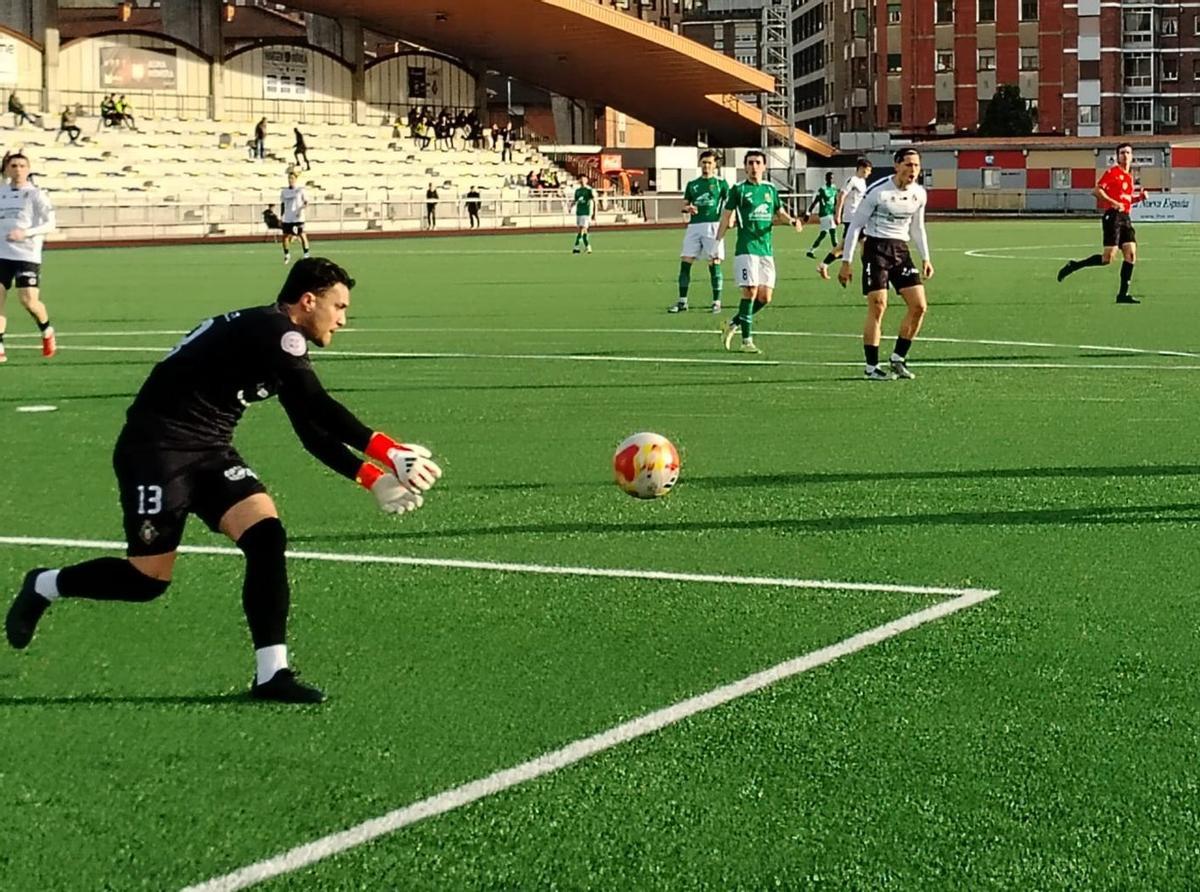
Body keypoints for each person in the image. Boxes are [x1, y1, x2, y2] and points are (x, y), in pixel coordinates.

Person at [4, 258, 443, 704]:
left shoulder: (275, 336)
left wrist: (371, 478)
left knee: (266, 537)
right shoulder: (277, 332)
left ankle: (272, 674)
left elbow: (310, 430)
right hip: (156, 452)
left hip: (211, 450)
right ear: (309, 301)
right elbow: (318, 404)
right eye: (339, 306)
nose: (343, 320)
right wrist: (389, 452)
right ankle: (45, 584)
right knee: (147, 581)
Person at [838, 147, 932, 381]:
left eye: (917, 165)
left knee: (919, 306)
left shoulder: (919, 193)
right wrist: (846, 261)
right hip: (876, 249)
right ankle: (871, 367)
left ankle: (898, 358)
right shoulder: (878, 192)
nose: (913, 170)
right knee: (878, 306)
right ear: (897, 166)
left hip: (901, 250)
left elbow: (917, 227)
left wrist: (926, 257)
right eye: (908, 165)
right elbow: (856, 226)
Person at [717, 150, 804, 354]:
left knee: (765, 297)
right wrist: (717, 242)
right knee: (750, 291)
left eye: (757, 162)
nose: (754, 166)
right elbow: (726, 217)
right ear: (745, 167)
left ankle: (733, 323)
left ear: (764, 166)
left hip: (766, 249)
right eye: (750, 163)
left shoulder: (770, 189)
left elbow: (779, 212)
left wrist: (792, 221)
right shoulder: (738, 189)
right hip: (746, 249)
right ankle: (746, 341)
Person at [1056, 142, 1145, 304]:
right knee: (1107, 258)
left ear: (1132, 156)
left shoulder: (1129, 177)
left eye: (1128, 153)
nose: (1125, 155)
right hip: (1113, 216)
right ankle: (1074, 265)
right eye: (1122, 153)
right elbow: (1096, 191)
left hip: (1125, 217)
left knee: (1131, 254)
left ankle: (1122, 295)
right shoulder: (1113, 173)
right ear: (1117, 157)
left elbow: (1126, 200)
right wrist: (1113, 202)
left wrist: (1139, 198)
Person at [0, 152, 57, 365]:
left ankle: (47, 330)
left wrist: (26, 233)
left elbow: (50, 224)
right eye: (14, 165)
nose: (18, 169)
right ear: (7, 169)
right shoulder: (1, 192)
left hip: (26, 255)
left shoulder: (36, 194)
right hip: (1, 254)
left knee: (28, 301)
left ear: (28, 169)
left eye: (22, 166)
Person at [669, 150, 729, 314]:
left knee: (714, 262)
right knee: (685, 261)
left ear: (715, 165)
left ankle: (716, 302)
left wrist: (729, 220)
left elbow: (730, 204)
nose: (706, 166)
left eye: (709, 163)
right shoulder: (692, 184)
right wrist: (688, 208)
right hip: (694, 226)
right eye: (704, 163)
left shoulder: (721, 184)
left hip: (713, 226)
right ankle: (682, 301)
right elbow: (684, 205)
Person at [818, 157, 872, 280]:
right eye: (868, 170)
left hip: (859, 218)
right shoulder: (852, 180)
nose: (869, 173)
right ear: (862, 169)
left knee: (848, 245)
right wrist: (837, 214)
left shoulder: (862, 182)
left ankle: (824, 265)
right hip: (851, 218)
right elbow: (841, 195)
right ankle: (868, 271)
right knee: (858, 244)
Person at [805, 171, 839, 259]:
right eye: (829, 178)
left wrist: (837, 212)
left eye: (832, 178)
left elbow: (835, 201)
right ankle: (837, 252)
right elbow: (815, 202)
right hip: (825, 214)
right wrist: (808, 213)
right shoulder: (822, 190)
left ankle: (810, 251)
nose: (831, 180)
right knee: (833, 231)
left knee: (823, 234)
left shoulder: (834, 188)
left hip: (830, 214)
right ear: (826, 179)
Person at [279, 171, 310, 264]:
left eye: (292, 178)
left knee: (302, 234)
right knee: (285, 236)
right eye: (289, 178)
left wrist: (300, 210)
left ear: (296, 179)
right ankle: (287, 255)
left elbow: (306, 202)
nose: (290, 180)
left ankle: (306, 255)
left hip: (298, 217)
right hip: (288, 218)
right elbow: (282, 204)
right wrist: (281, 216)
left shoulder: (300, 190)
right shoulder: (284, 191)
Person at [571, 175, 596, 254]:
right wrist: (571, 206)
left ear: (586, 181)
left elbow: (594, 201)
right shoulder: (577, 191)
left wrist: (594, 213)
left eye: (584, 180)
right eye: (581, 180)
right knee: (583, 231)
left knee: (582, 229)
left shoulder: (588, 190)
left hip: (586, 213)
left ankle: (576, 247)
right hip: (579, 212)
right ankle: (588, 247)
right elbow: (575, 200)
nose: (582, 181)